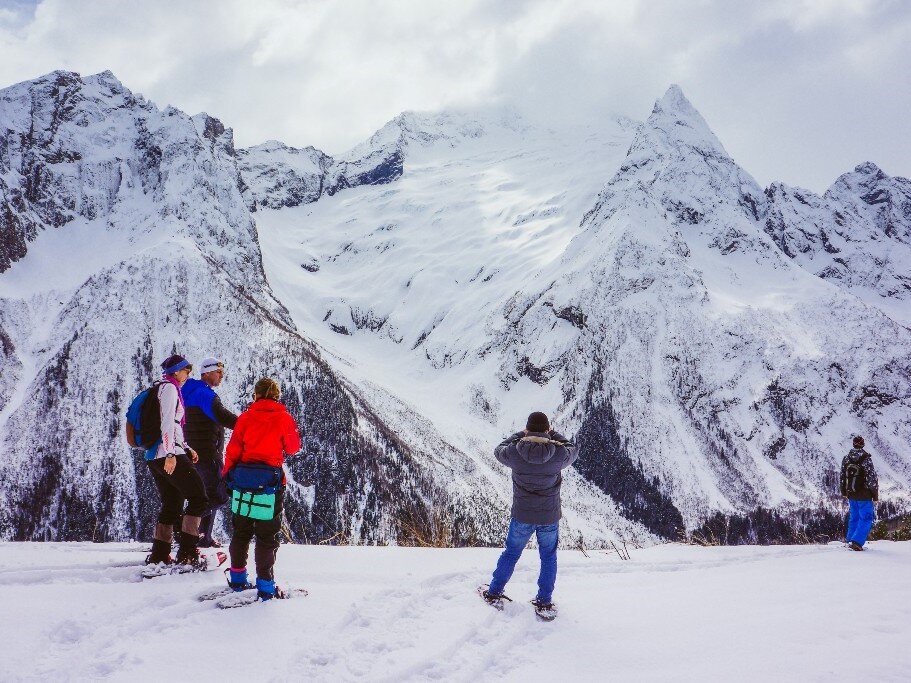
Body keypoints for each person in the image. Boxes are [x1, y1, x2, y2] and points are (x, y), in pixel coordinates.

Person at [481, 411, 578, 614]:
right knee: (548, 557)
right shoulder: (558, 454)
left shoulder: (515, 452)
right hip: (549, 516)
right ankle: (544, 601)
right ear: (546, 429)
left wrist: (520, 435)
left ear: (528, 428)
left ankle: (494, 592)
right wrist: (553, 434)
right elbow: (572, 449)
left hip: (522, 515)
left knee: (511, 553)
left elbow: (499, 450)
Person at [222, 378, 301, 600]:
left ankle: (237, 578)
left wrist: (227, 476)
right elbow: (294, 448)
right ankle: (266, 586)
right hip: (270, 484)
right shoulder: (284, 418)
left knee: (241, 531)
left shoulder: (245, 418)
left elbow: (232, 451)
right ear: (276, 396)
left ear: (255, 395)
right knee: (267, 536)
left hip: (242, 480)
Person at [145, 354, 208, 567]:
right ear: (177, 371)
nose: (187, 376)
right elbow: (167, 424)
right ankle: (188, 552)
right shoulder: (170, 389)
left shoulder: (161, 388)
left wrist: (186, 447)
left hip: (154, 455)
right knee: (199, 498)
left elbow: (172, 424)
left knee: (172, 503)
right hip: (168, 454)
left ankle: (160, 554)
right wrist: (172, 453)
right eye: (186, 371)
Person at [182, 357, 238, 548]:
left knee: (204, 495)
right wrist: (248, 425)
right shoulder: (204, 394)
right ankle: (183, 526)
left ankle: (203, 537)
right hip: (207, 454)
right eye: (218, 372)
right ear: (206, 372)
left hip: (190, 452)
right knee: (218, 495)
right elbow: (223, 416)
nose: (221, 376)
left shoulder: (187, 390)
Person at [840, 435, 879, 551]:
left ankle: (850, 539)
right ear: (863, 444)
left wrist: (844, 491)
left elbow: (842, 476)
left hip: (851, 493)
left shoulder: (846, 458)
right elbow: (872, 478)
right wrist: (875, 495)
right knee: (866, 518)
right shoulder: (866, 459)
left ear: (853, 444)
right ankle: (857, 542)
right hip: (864, 494)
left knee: (854, 517)